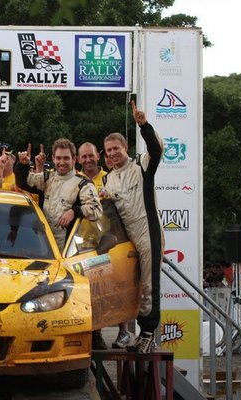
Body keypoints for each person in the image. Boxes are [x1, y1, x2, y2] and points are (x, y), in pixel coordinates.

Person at [102, 100, 164, 353]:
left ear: (125, 147)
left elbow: (157, 149)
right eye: (108, 150)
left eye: (116, 148)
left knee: (149, 282)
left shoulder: (141, 165)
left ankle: (148, 332)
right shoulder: (107, 178)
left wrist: (144, 125)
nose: (113, 153)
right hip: (125, 238)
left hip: (146, 230)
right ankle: (131, 333)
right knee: (129, 285)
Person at [78, 142, 131, 350]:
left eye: (91, 156)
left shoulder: (109, 178)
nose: (88, 160)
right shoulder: (76, 180)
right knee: (93, 291)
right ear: (78, 160)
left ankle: (124, 331)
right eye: (84, 157)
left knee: (118, 286)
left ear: (98, 156)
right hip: (85, 243)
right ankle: (96, 333)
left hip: (111, 241)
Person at [15, 139, 103, 250]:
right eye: (58, 158)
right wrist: (23, 165)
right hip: (43, 243)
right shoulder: (47, 178)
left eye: (66, 158)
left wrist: (74, 211)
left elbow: (96, 210)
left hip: (68, 250)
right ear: (53, 159)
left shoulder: (83, 184)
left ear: (74, 159)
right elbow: (23, 182)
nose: (62, 162)